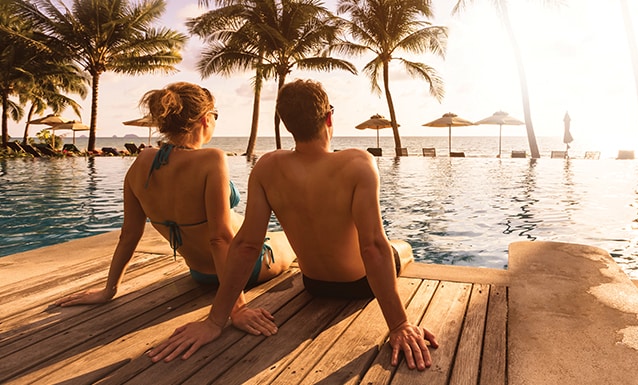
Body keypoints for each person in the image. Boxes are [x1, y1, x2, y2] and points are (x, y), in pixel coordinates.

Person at [149, 79, 438, 370]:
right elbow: (373, 248)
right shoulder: (358, 163)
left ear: (288, 125)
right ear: (328, 117)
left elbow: (247, 245)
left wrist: (215, 320)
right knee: (400, 247)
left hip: (314, 284)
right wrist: (399, 324)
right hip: (359, 285)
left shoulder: (267, 167)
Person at [55, 82, 295, 338]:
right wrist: (236, 310)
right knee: (291, 238)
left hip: (200, 274)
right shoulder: (212, 159)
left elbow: (129, 234)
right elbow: (220, 238)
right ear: (205, 119)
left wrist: (109, 290)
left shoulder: (142, 162)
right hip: (245, 269)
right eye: (215, 116)